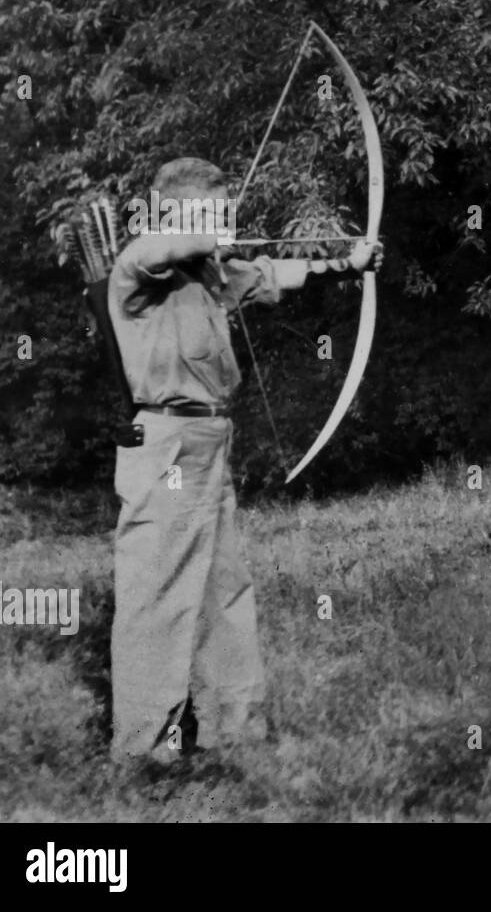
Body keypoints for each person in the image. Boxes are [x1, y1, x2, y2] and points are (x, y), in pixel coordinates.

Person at [106, 156, 381, 764]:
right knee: (158, 590)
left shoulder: (209, 276)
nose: (225, 222)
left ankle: (233, 732)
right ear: (176, 212)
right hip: (165, 445)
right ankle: (143, 749)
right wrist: (207, 233)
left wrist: (346, 264)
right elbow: (155, 248)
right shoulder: (139, 270)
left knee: (221, 588)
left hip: (210, 444)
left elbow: (269, 272)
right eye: (212, 210)